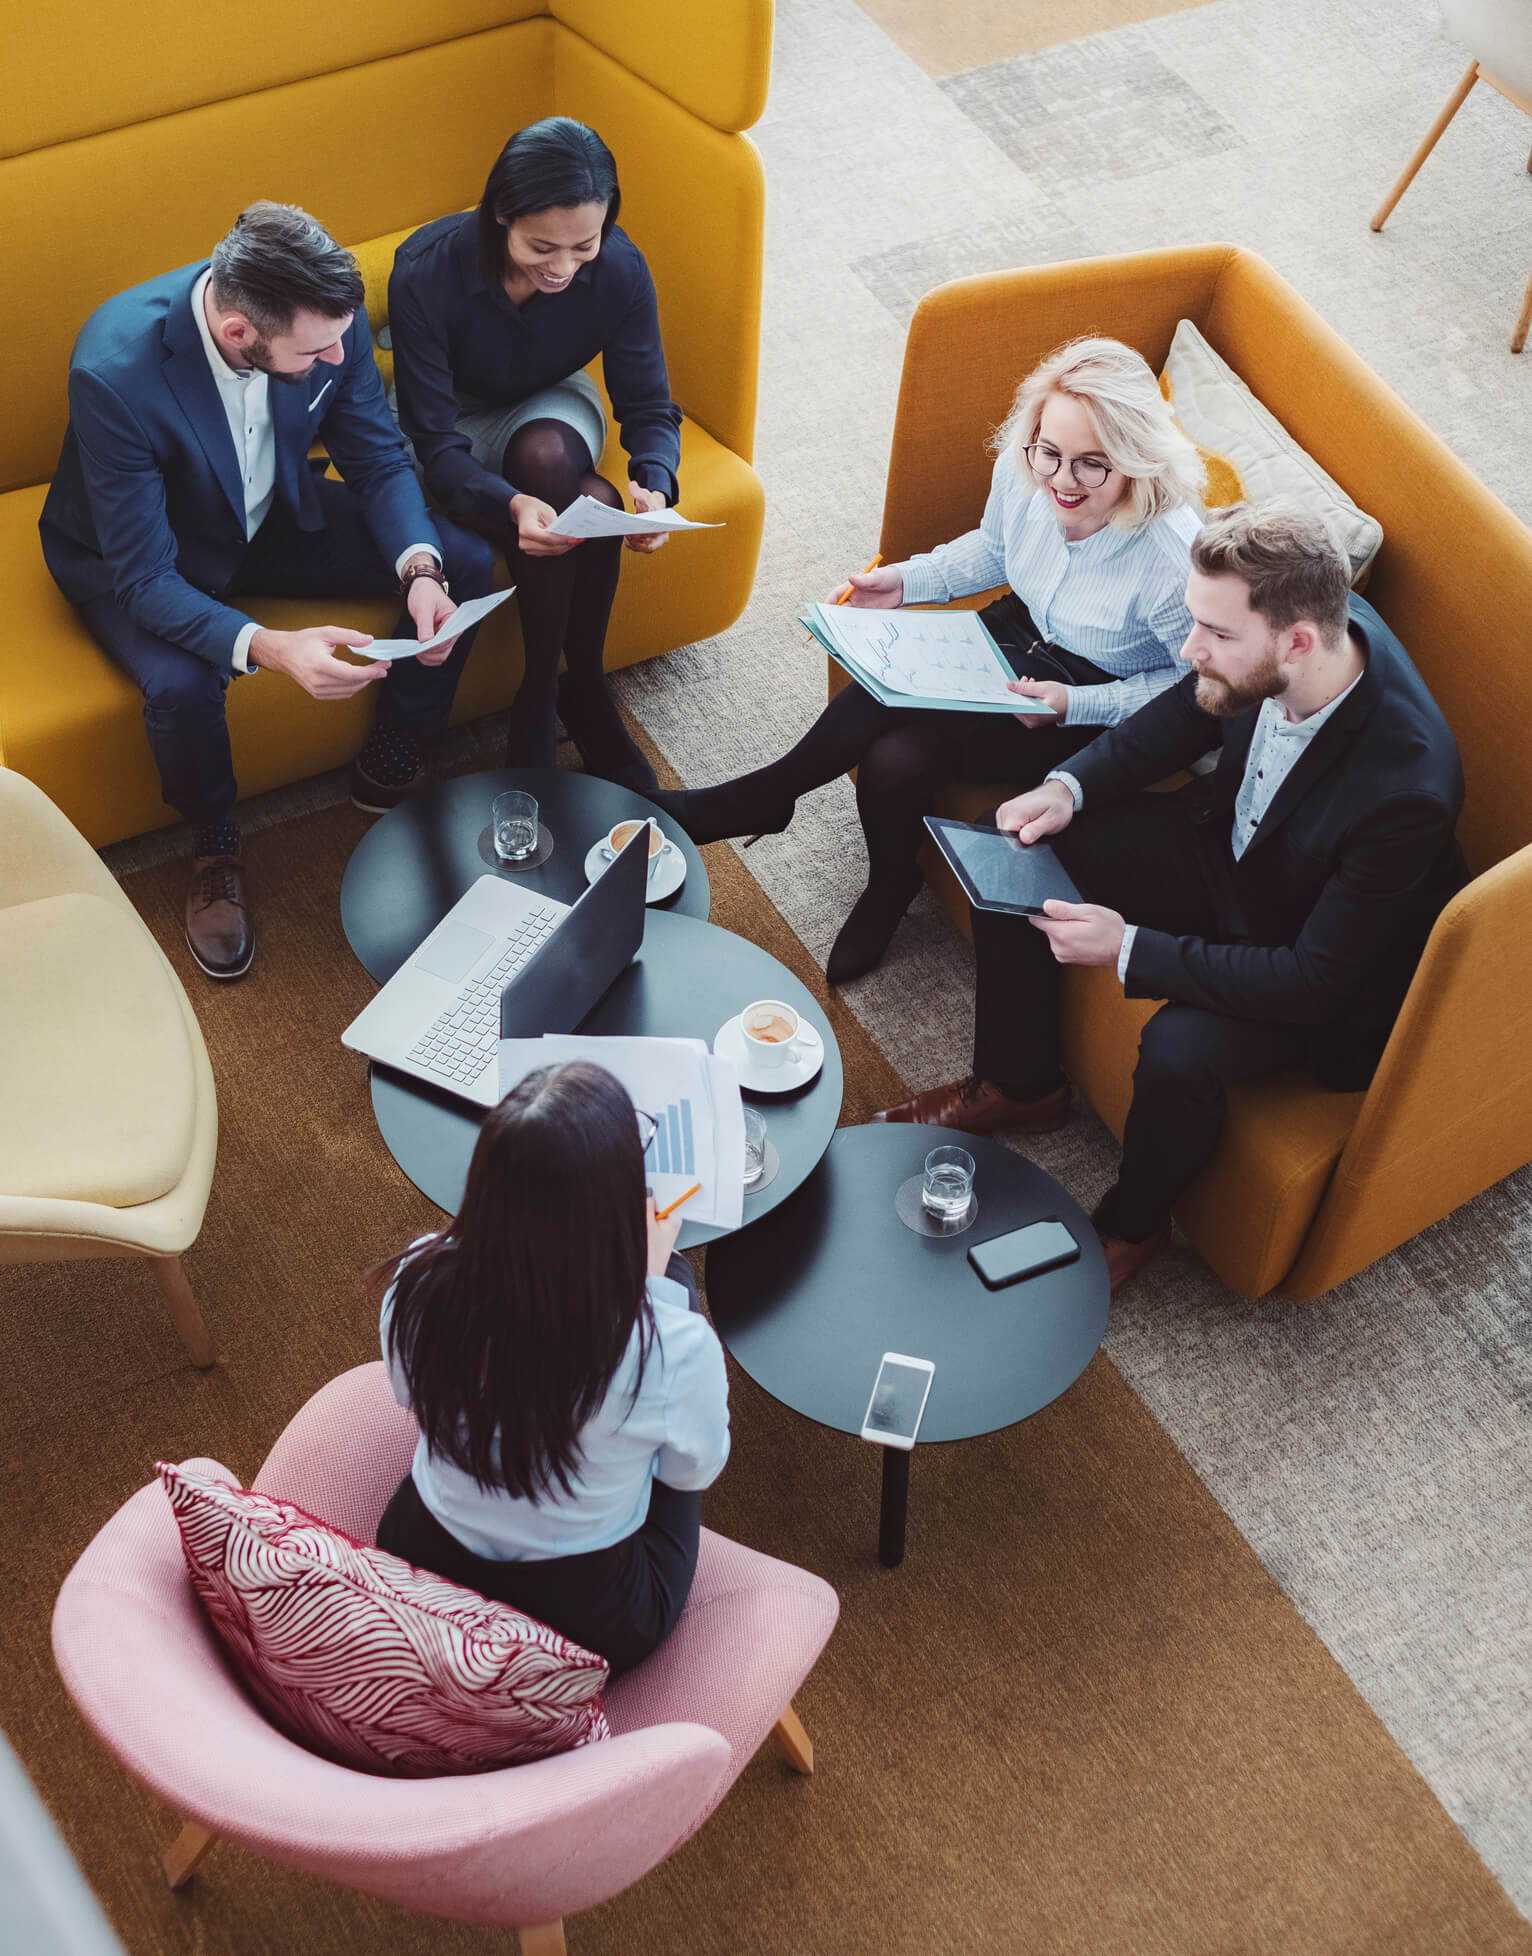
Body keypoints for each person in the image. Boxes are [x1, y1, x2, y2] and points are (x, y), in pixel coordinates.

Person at [875, 504, 1467, 1293]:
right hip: (1231, 850)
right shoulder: (1299, 626)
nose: (1192, 650)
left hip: (1315, 961)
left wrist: (1124, 946)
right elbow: (1190, 707)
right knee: (1011, 843)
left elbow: (1314, 979)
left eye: (1215, 636)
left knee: (1180, 1053)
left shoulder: (1408, 790)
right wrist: (1068, 785)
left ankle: (1133, 1227)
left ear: (1296, 642)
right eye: (1196, 623)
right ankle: (1021, 1086)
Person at [649, 337, 1206, 983]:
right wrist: (908, 582)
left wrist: (1077, 703)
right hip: (1012, 630)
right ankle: (864, 861)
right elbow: (997, 549)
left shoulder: (1172, 556)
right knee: (884, 695)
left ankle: (778, 815)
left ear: (1137, 461)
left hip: (1085, 699)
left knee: (899, 752)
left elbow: (1195, 687)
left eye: (1091, 465)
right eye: (1050, 453)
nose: (1060, 480)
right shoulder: (1025, 466)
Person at [38, 201, 496, 981]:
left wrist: (420, 570)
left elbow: (380, 460)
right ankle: (213, 841)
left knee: (463, 560)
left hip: (269, 515)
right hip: (143, 558)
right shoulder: (114, 374)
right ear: (238, 333)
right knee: (182, 683)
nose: (337, 357)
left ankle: (393, 753)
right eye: (315, 352)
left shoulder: (323, 323)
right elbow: (145, 579)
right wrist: (273, 648)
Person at [373, 1062, 729, 1675]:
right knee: (678, 1282)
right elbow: (695, 1470)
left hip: (426, 1551)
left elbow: (411, 1399)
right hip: (588, 1613)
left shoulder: (416, 1280)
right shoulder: (671, 1348)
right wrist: (654, 1289)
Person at [389, 117, 683, 788]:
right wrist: (510, 504)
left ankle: (547, 696)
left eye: (584, 246)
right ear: (500, 215)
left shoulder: (619, 267)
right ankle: (573, 694)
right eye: (541, 246)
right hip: (448, 424)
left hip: (550, 402)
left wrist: (656, 484)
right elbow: (435, 443)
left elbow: (647, 402)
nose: (562, 268)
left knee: (556, 462)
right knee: (591, 500)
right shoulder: (426, 271)